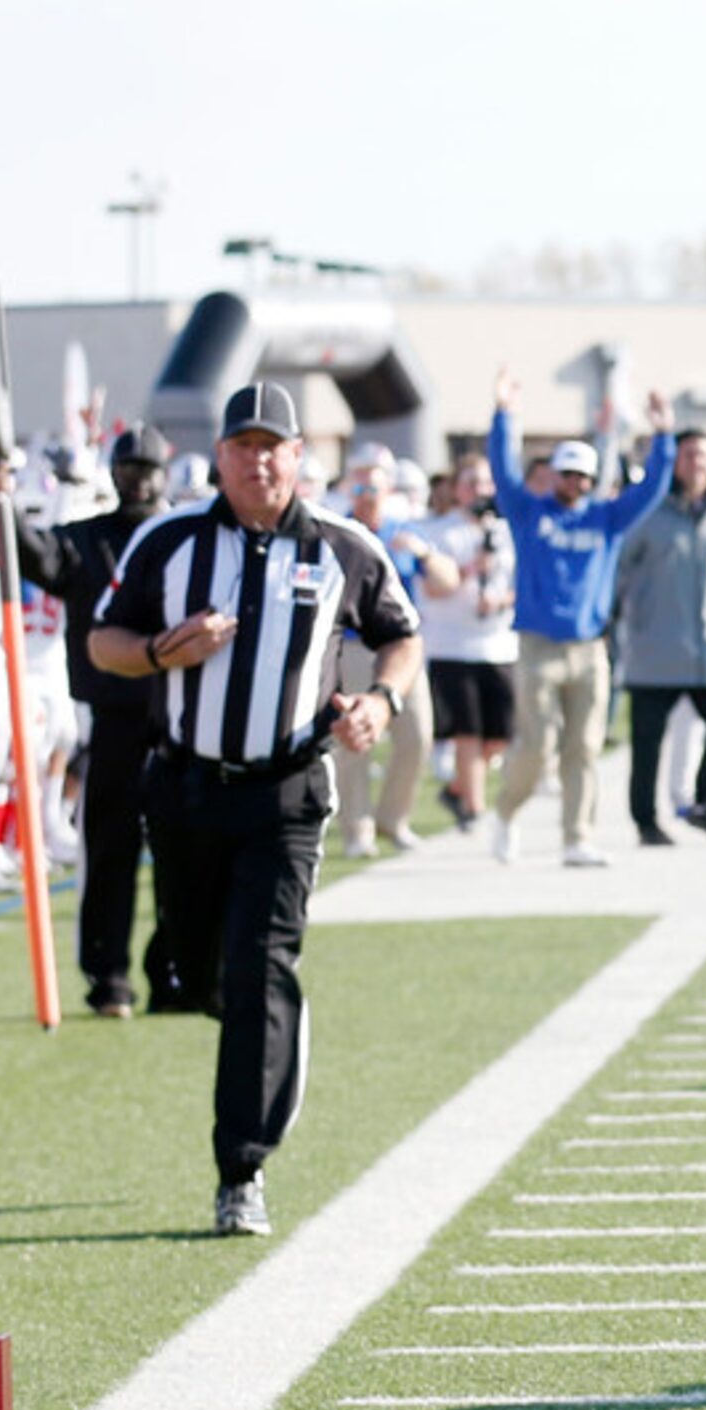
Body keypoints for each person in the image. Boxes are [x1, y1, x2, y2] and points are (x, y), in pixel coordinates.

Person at [93, 382, 422, 1237]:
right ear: (222, 457)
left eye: (274, 444)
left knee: (261, 965)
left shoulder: (345, 545)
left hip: (287, 790)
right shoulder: (170, 541)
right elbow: (105, 641)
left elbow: (402, 634)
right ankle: (221, 990)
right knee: (199, 971)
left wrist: (379, 702)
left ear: (298, 455)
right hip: (189, 787)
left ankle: (242, 1168)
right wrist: (168, 648)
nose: (259, 459)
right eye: (244, 444)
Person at [15, 425, 178, 1016]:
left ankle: (177, 971)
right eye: (127, 467)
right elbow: (40, 558)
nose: (137, 478)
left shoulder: (187, 534)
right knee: (107, 851)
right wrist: (0, 506)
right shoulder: (87, 538)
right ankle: (108, 976)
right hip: (113, 717)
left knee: (182, 850)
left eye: (147, 468)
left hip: (182, 720)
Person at [482, 370, 674, 867]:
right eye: (567, 474)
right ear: (555, 476)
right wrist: (504, 414)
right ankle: (505, 812)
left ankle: (577, 837)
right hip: (539, 646)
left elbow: (653, 488)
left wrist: (663, 435)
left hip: (590, 648)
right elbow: (502, 471)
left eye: (583, 476)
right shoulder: (529, 513)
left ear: (592, 481)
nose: (575, 483)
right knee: (537, 746)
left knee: (585, 747)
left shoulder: (606, 519)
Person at [614, 430, 706, 845]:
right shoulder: (648, 508)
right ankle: (646, 821)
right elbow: (620, 566)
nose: (696, 461)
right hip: (655, 649)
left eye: (704, 454)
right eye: (688, 453)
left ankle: (705, 805)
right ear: (674, 460)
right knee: (648, 743)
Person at [401, 454, 515, 832]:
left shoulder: (506, 530)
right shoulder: (438, 533)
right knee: (468, 731)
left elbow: (520, 584)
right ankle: (475, 807)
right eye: (471, 482)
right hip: (452, 645)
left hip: (498, 643)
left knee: (499, 736)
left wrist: (500, 600)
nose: (479, 490)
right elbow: (434, 589)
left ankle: (456, 789)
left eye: (485, 482)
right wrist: (470, 570)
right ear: (456, 488)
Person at [331, 458, 436, 857]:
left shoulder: (404, 532)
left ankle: (393, 817)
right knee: (355, 738)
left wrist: (424, 554)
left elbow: (447, 578)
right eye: (359, 490)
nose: (366, 498)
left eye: (373, 489)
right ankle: (358, 829)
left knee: (417, 736)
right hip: (354, 645)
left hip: (402, 647)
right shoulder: (336, 534)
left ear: (388, 493)